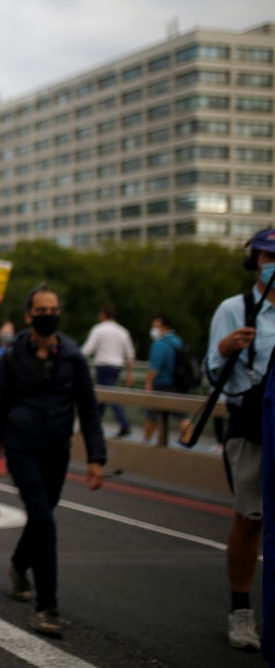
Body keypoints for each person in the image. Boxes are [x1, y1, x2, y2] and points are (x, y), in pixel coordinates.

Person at [0, 283, 106, 638]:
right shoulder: (11, 359)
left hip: (57, 450)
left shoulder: (74, 357)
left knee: (42, 517)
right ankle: (46, 607)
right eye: (41, 310)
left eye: (54, 310)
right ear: (28, 316)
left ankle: (19, 565)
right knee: (46, 523)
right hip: (21, 449)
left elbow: (89, 409)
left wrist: (97, 457)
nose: (48, 316)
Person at [207, 229, 275, 652]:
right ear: (253, 261)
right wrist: (225, 348)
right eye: (266, 255)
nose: (271, 263)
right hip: (252, 426)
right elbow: (212, 373)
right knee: (250, 520)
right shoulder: (236, 309)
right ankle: (240, 610)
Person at [81, 305, 136, 438]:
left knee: (109, 396)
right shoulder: (123, 331)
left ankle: (124, 424)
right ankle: (94, 425)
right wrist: (130, 373)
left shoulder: (99, 329)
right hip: (117, 367)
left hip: (104, 366)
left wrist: (75, 359)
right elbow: (130, 354)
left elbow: (88, 349)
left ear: (103, 315)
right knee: (103, 397)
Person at [142, 316, 183, 444]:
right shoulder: (178, 341)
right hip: (177, 384)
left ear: (164, 327)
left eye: (155, 326)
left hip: (161, 385)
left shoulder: (160, 344)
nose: (153, 329)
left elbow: (155, 366)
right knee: (182, 416)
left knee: (151, 417)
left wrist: (148, 383)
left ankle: (145, 445)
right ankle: (188, 443)